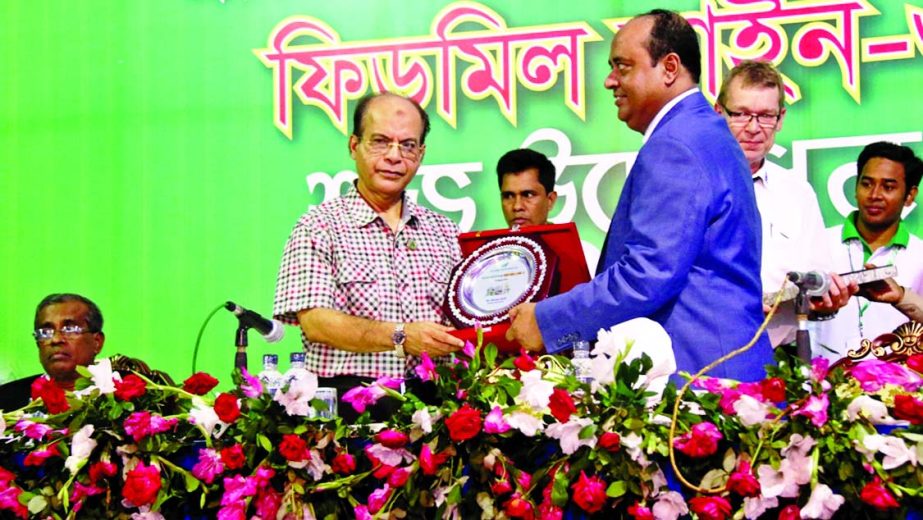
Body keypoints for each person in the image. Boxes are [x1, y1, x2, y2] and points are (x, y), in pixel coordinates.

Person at [506, 9, 772, 380]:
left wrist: (548, 321)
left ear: (669, 67)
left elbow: (648, 273)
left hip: (697, 376)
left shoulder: (677, 144)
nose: (609, 81)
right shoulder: (704, 131)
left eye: (623, 67)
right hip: (721, 365)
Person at [273, 92, 464, 419]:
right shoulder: (319, 226)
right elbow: (316, 323)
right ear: (353, 146)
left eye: (407, 145)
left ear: (421, 154)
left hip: (438, 409)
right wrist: (402, 337)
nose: (394, 156)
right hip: (348, 407)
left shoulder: (445, 231)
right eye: (380, 141)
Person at [714, 60, 855, 347]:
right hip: (707, 356)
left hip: (783, 357)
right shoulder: (692, 183)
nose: (753, 128)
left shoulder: (798, 192)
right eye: (740, 114)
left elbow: (818, 278)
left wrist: (828, 299)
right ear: (719, 113)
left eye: (766, 116)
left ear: (780, 119)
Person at [813, 142, 923, 359]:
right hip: (824, 384)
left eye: (888, 187)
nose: (875, 195)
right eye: (866, 184)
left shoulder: (919, 254)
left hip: (900, 388)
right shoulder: (817, 243)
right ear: (856, 188)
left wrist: (901, 297)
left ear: (910, 195)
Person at [0, 293, 105, 411]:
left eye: (69, 329)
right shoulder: (6, 401)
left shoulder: (124, 397)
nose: (55, 339)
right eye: (45, 332)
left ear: (97, 342)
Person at [496, 148, 558, 228]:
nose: (517, 206)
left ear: (550, 200)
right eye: (509, 196)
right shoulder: (489, 241)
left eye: (528, 195)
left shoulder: (568, 240)